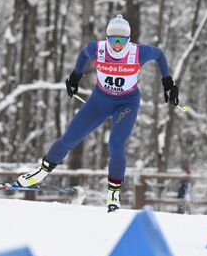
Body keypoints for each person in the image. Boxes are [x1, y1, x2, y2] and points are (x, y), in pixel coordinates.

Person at [17, 14, 180, 212]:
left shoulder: (138, 52)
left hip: (126, 103)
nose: (117, 44)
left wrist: (167, 83)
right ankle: (40, 173)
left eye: (122, 40)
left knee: (116, 144)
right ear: (107, 38)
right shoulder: (97, 49)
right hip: (99, 101)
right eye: (113, 39)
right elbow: (83, 54)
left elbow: (160, 55)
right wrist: (75, 77)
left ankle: (113, 193)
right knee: (69, 138)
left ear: (128, 40)